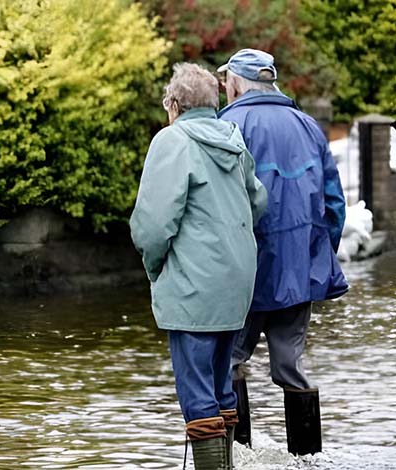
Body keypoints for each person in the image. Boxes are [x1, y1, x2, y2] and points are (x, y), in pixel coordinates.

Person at [130, 63, 267, 470]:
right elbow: (258, 202)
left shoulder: (172, 140)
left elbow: (152, 226)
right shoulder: (234, 139)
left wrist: (156, 270)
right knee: (221, 384)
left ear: (174, 104)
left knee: (197, 394)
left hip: (194, 284)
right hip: (237, 280)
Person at [216, 49, 349, 455]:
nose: (223, 89)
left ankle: (236, 456)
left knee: (230, 361)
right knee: (290, 365)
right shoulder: (309, 125)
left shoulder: (228, 125)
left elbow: (219, 203)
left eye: (225, 83)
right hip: (299, 268)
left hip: (247, 271)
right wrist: (317, 257)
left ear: (236, 83)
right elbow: (334, 203)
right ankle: (308, 459)